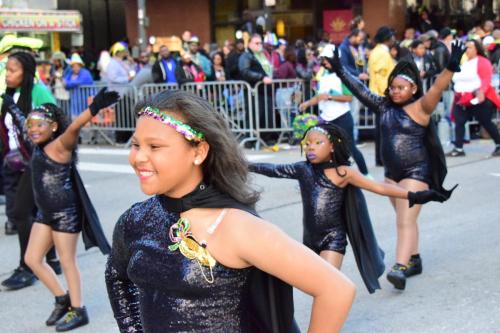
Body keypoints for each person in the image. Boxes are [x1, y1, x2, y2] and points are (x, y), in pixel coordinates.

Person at [105, 90, 356, 332]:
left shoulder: (235, 226)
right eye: (136, 144)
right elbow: (117, 276)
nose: (138, 157)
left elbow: (336, 290)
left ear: (199, 151)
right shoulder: (134, 219)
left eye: (155, 146)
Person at [249, 123, 450, 293]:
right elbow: (273, 170)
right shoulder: (302, 169)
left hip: (333, 239)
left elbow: (378, 187)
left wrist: (413, 195)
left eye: (318, 143)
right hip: (309, 238)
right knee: (316, 287)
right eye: (308, 143)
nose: (311, 147)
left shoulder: (343, 172)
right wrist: (244, 164)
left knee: (327, 286)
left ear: (333, 147)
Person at [330, 40, 463, 290]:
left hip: (416, 172)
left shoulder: (421, 107)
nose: (395, 91)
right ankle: (414, 258)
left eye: (401, 87)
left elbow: (436, 88)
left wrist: (451, 68)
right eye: (392, 87)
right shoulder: (383, 107)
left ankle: (400, 267)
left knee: (404, 220)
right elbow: (359, 89)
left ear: (413, 88)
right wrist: (340, 70)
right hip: (392, 174)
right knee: (405, 219)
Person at [2, 88, 117, 331]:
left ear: (54, 127)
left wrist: (94, 108)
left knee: (67, 262)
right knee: (32, 259)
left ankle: (79, 309)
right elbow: (24, 121)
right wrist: (10, 104)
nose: (32, 129)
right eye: (30, 125)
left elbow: (74, 127)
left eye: (39, 124)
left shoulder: (61, 146)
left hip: (66, 214)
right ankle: (62, 299)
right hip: (45, 215)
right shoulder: (37, 144)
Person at [0, 51, 60, 290]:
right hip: (12, 164)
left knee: (20, 212)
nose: (8, 75)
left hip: (36, 162)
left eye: (13, 70)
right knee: (37, 212)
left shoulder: (38, 92)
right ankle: (51, 258)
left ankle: (27, 268)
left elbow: (57, 123)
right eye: (7, 70)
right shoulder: (7, 95)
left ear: (26, 73)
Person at [299, 45, 369, 176]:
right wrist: (307, 104)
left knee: (350, 148)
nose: (324, 61)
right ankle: (323, 176)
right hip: (326, 118)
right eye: (323, 59)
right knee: (324, 147)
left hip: (342, 117)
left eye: (326, 59)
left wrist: (331, 97)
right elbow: (320, 96)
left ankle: (365, 175)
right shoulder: (323, 73)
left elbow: (348, 97)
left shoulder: (343, 75)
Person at [447, 39, 500, 157]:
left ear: (476, 49)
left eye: (469, 47)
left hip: (478, 98)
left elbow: (486, 79)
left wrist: (481, 92)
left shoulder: (483, 61)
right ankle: (458, 148)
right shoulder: (464, 62)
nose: (467, 50)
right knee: (459, 122)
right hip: (462, 98)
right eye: (465, 47)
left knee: (485, 122)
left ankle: (498, 144)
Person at [368, 26, 396, 166]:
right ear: (387, 39)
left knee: (382, 128)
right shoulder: (381, 53)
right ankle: (382, 158)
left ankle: (381, 158)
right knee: (384, 129)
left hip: (379, 94)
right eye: (392, 36)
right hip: (382, 96)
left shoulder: (378, 51)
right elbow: (380, 76)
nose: (394, 39)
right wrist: (387, 94)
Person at [63, 53, 94, 119]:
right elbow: (65, 82)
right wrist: (67, 83)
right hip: (74, 101)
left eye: (77, 66)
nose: (75, 68)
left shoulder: (85, 73)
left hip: (85, 100)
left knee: (85, 118)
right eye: (74, 66)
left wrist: (69, 83)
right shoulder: (71, 73)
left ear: (80, 66)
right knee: (75, 118)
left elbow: (79, 81)